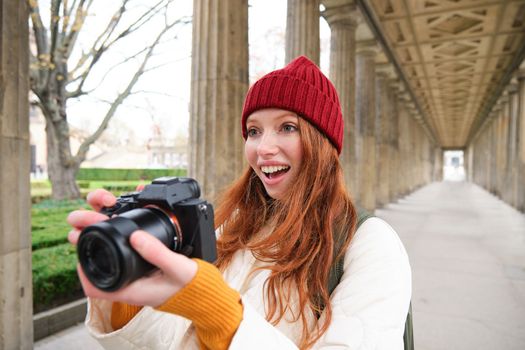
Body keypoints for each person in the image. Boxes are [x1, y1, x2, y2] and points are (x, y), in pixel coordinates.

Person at [67, 55, 412, 350]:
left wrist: (222, 317)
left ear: (323, 142)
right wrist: (129, 296)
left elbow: (215, 316)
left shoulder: (369, 244)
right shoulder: (233, 227)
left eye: (287, 127)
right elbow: (178, 337)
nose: (263, 148)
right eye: (254, 131)